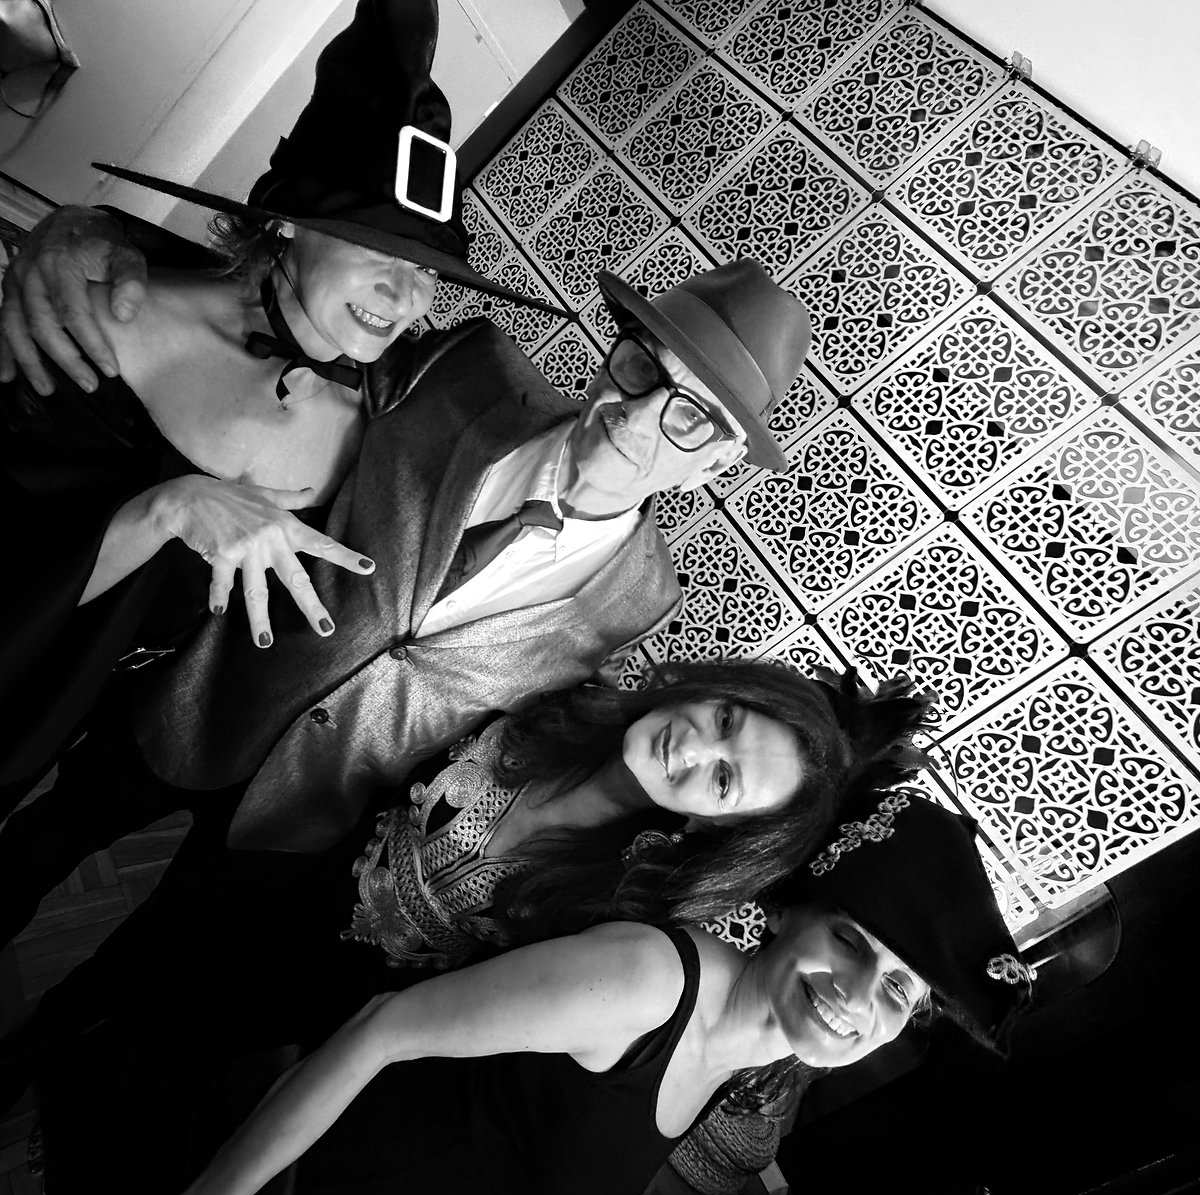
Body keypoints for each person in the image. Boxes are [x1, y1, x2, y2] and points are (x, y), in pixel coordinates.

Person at [0, 0, 811, 944]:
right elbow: (281, 324)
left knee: (148, 965)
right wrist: (92, 235)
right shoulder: (467, 370)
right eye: (640, 367)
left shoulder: (641, 599)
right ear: (611, 354)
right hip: (191, 695)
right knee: (32, 852)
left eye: (693, 414)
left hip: (316, 813)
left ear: (719, 458)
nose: (638, 416)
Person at [27, 660, 934, 1195]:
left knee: (121, 1100)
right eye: (726, 719)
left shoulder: (626, 907)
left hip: (299, 1020)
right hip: (258, 888)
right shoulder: (556, 696)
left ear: (716, 824)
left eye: (725, 780)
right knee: (97, 989)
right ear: (716, 689)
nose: (694, 748)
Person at [0, 0, 556, 805]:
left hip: (77, 724)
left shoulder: (377, 418)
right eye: (378, 248)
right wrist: (168, 508)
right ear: (289, 224)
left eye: (428, 270)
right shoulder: (110, 319)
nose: (404, 295)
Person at [167, 785, 1035, 1195]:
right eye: (849, 941)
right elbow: (382, 1029)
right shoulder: (649, 984)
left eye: (898, 988)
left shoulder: (740, 1055)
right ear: (785, 913)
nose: (858, 992)